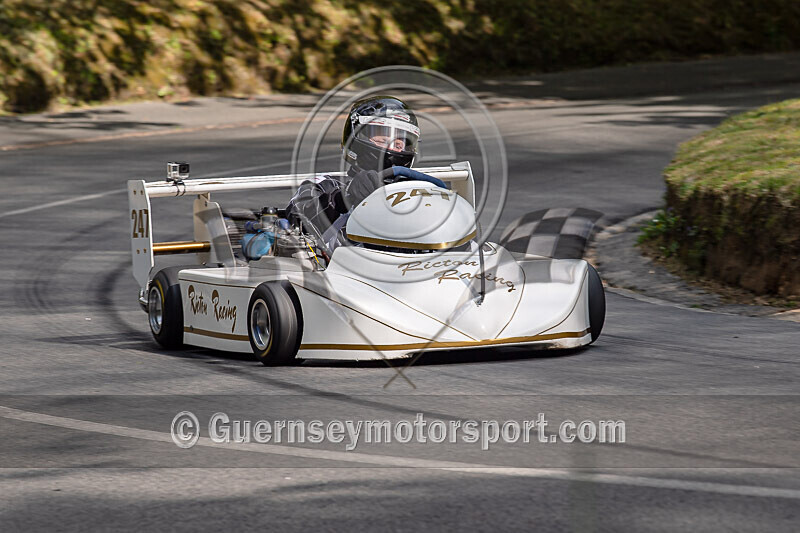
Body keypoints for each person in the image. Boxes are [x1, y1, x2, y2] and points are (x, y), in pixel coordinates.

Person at [286, 95, 421, 253]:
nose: (393, 148)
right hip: (344, 272)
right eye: (384, 140)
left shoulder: (416, 190)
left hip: (414, 271)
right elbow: (296, 223)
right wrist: (344, 198)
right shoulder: (326, 185)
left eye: (399, 144)